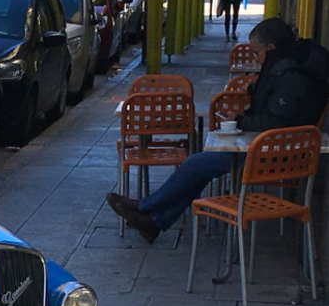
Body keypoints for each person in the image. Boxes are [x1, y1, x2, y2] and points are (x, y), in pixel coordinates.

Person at [106, 18, 329, 243]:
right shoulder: (292, 65)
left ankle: (145, 207)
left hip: (275, 153)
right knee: (200, 167)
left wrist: (240, 122)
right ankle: (153, 221)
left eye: (256, 53)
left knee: (195, 164)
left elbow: (276, 121)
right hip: (273, 145)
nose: (255, 59)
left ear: (270, 49)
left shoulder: (293, 76)